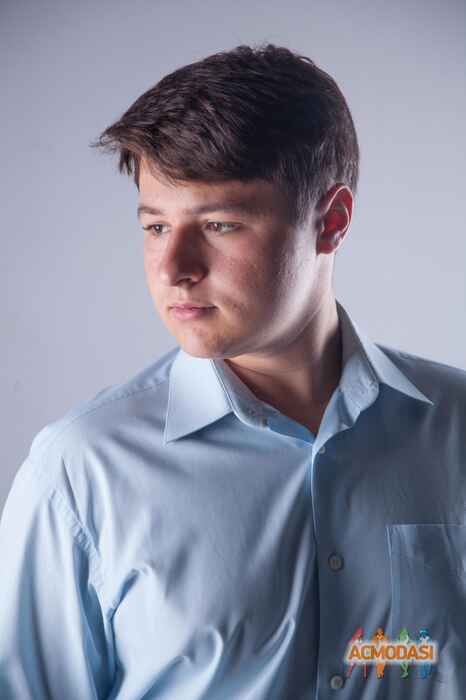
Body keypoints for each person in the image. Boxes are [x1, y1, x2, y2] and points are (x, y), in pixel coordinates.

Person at [1, 43, 465, 700]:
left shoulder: (457, 431)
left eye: (219, 224)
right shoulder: (80, 473)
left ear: (331, 222)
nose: (174, 269)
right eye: (155, 227)